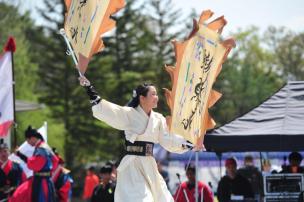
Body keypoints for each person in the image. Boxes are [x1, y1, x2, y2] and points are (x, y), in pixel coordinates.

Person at [79, 77, 194, 202]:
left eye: (156, 94)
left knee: (163, 199)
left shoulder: (158, 118)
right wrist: (90, 90)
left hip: (149, 165)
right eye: (153, 94)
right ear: (142, 98)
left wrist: (186, 143)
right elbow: (111, 112)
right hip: (132, 166)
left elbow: (167, 140)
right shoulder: (129, 114)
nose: (157, 97)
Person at [10, 126, 59, 202]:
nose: (28, 143)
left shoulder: (41, 149)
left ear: (32, 138)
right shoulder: (45, 147)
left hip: (41, 183)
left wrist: (20, 155)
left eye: (28, 140)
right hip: (47, 181)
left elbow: (34, 165)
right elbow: (55, 161)